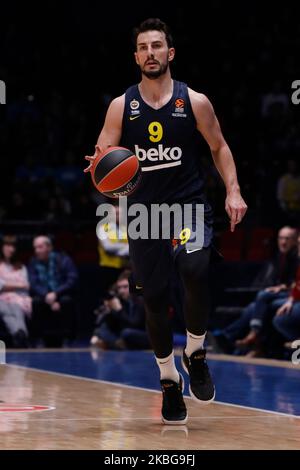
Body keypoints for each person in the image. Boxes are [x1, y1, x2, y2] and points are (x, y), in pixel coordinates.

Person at [84, 18, 247, 424]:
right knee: (154, 299)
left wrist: (233, 190)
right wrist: (100, 165)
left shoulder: (195, 101)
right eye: (143, 47)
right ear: (136, 56)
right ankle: (169, 380)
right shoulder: (122, 105)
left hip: (188, 204)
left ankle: (195, 351)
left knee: (195, 267)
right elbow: (104, 155)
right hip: (144, 211)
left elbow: (220, 146)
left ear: (169, 53)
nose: (151, 53)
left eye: (158, 45)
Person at [212, 226, 298, 355]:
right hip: (283, 296)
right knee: (255, 306)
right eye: (281, 238)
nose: (283, 242)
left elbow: (296, 283)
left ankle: (245, 337)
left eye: (287, 238)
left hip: (292, 296)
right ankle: (234, 339)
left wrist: (283, 288)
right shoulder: (279, 257)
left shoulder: (296, 257)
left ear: (295, 241)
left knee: (263, 299)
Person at [28, 236, 78, 347]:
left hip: (61, 293)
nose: (37, 251)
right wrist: (46, 295)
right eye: (35, 248)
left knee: (67, 301)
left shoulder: (63, 259)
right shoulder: (33, 262)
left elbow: (72, 279)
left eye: (40, 247)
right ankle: (39, 338)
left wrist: (56, 294)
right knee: (35, 302)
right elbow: (33, 283)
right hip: (43, 295)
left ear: (49, 247)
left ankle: (67, 339)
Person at [90, 270, 149, 350]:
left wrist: (119, 310)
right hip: (125, 333)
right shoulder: (121, 300)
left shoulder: (141, 300)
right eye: (119, 288)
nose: (121, 291)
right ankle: (119, 344)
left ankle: (113, 345)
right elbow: (108, 324)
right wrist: (109, 312)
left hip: (144, 334)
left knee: (126, 333)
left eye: (125, 287)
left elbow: (135, 324)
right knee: (102, 330)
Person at [0, 235, 31, 347]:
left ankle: (19, 334)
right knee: (4, 308)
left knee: (16, 306)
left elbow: (26, 285)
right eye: (7, 245)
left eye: (13, 246)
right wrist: (18, 285)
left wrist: (7, 285)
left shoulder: (21, 267)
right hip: (1, 299)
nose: (10, 249)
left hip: (18, 298)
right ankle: (20, 333)